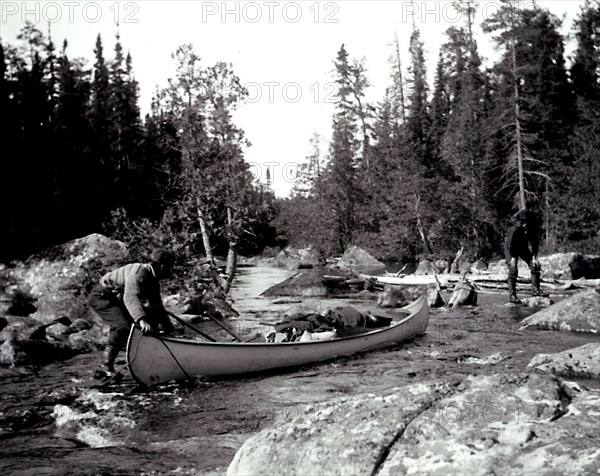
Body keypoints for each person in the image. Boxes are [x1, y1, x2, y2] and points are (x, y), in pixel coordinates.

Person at [88, 249, 176, 376]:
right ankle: (106, 366)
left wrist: (170, 329)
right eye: (170, 267)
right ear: (163, 267)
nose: (170, 271)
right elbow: (130, 298)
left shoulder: (153, 279)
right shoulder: (139, 273)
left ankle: (153, 360)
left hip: (118, 297)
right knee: (122, 326)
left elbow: (157, 306)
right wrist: (142, 320)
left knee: (153, 321)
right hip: (102, 297)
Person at [504, 209, 543, 303]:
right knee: (513, 270)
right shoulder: (514, 229)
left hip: (523, 248)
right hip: (510, 249)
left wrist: (534, 257)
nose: (525, 223)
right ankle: (512, 296)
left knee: (535, 266)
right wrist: (513, 258)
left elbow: (535, 243)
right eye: (523, 221)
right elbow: (510, 244)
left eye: (527, 221)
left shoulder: (532, 228)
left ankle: (536, 290)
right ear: (519, 220)